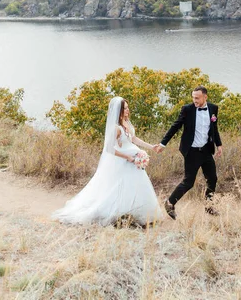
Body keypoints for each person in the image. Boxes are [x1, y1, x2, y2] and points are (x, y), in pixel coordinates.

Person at [52, 97, 162, 227]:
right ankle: (119, 215)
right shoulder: (116, 128)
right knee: (119, 188)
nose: (128, 110)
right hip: (124, 162)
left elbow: (134, 139)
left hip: (134, 161)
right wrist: (128, 157)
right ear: (119, 111)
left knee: (136, 187)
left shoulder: (126, 123)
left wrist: (151, 147)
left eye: (127, 107)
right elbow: (109, 148)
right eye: (125, 108)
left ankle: (139, 215)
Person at [155, 85, 222, 219]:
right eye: (193, 98)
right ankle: (169, 203)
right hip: (191, 151)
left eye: (197, 98)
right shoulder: (187, 109)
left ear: (205, 97)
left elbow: (214, 128)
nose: (195, 100)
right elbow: (176, 126)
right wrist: (163, 143)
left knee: (212, 178)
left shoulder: (213, 108)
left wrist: (219, 144)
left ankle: (209, 207)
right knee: (188, 182)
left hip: (206, 150)